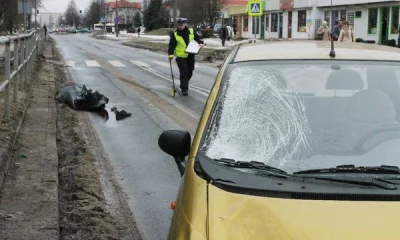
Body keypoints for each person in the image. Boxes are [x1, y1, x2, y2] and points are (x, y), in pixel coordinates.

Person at [168, 18, 205, 96]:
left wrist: (201, 42)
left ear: (185, 24)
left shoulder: (191, 31)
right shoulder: (175, 33)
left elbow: (198, 38)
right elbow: (171, 45)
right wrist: (170, 54)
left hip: (190, 54)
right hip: (181, 56)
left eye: (181, 25)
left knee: (190, 71)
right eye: (178, 25)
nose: (180, 26)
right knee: (184, 72)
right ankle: (184, 89)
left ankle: (183, 83)